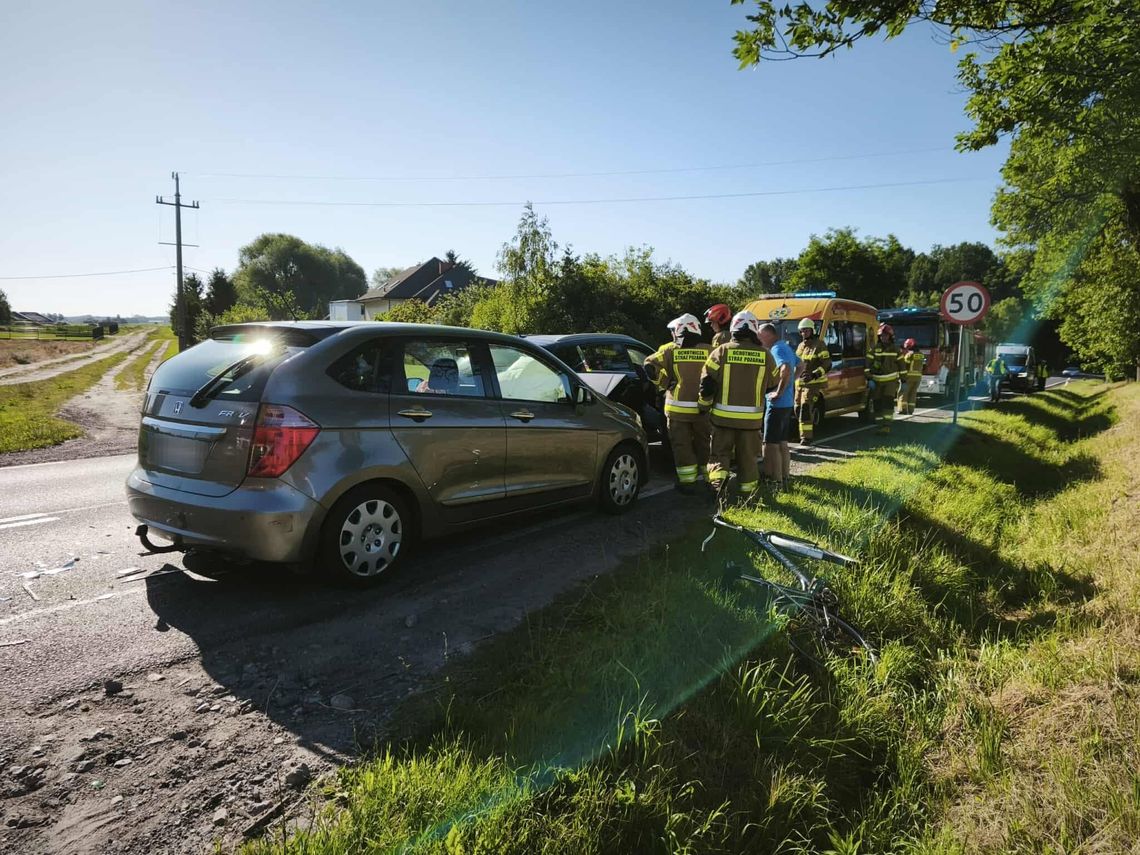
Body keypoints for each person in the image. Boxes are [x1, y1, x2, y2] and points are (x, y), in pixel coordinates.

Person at [699, 310, 771, 500]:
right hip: (751, 422)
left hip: (723, 419)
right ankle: (748, 498)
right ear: (754, 330)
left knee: (719, 456)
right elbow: (773, 382)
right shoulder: (766, 355)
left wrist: (703, 406)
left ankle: (717, 490)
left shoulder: (721, 351)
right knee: (748, 459)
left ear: (733, 328)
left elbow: (706, 384)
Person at [643, 313, 711, 494]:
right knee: (705, 444)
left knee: (682, 446)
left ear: (680, 330)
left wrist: (663, 383)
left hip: (676, 410)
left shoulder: (669, 349)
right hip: (703, 408)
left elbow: (648, 366)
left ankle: (687, 483)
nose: (673, 334)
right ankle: (710, 480)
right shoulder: (710, 350)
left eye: (674, 331)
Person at [758, 322, 798, 489]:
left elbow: (785, 369)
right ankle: (785, 477)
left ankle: (772, 479)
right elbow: (800, 365)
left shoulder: (776, 349)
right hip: (787, 403)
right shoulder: (786, 347)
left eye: (759, 334)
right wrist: (789, 385)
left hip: (777, 403)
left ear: (768, 334)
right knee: (782, 442)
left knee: (770, 443)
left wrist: (779, 391)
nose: (758, 338)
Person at [793, 317, 831, 445]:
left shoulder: (819, 345)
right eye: (802, 331)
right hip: (799, 385)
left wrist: (814, 375)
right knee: (797, 409)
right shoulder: (800, 346)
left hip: (813, 385)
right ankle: (801, 434)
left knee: (805, 408)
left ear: (812, 331)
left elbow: (827, 364)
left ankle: (806, 438)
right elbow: (796, 364)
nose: (804, 333)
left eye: (807, 331)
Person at [866, 323, 902, 434]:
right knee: (877, 404)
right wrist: (869, 379)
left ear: (890, 336)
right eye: (881, 336)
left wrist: (904, 380)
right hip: (876, 382)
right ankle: (879, 425)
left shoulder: (896, 350)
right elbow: (867, 366)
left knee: (888, 402)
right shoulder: (874, 349)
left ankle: (886, 426)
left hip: (890, 382)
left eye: (885, 336)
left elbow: (902, 366)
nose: (883, 338)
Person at [896, 338, 925, 416]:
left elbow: (905, 366)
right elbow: (924, 366)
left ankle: (903, 409)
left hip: (909, 377)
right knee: (913, 393)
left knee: (903, 392)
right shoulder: (921, 355)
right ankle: (911, 410)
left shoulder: (909, 354)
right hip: (918, 377)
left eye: (907, 347)